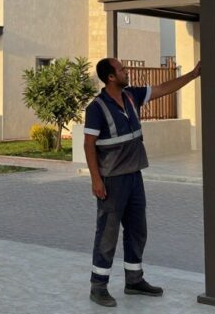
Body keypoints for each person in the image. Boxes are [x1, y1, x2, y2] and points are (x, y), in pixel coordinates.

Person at [84, 57, 201, 307]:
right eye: (122, 69)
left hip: (134, 175)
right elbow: (88, 145)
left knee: (137, 230)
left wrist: (192, 75)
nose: (127, 72)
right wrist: (96, 179)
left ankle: (134, 280)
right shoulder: (96, 108)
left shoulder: (131, 96)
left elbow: (163, 88)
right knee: (107, 233)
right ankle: (98, 286)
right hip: (112, 179)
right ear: (111, 77)